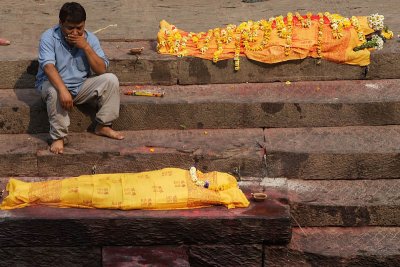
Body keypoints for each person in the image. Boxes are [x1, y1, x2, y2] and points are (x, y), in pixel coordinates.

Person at [35, 2, 124, 154]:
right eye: (70, 28)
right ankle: (58, 137)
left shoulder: (91, 39)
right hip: (53, 86)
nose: (75, 32)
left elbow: (101, 69)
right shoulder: (48, 37)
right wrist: (63, 90)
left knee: (111, 80)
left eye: (79, 28)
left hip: (80, 86)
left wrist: (86, 47)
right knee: (54, 90)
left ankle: (103, 126)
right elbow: (48, 67)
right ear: (61, 23)